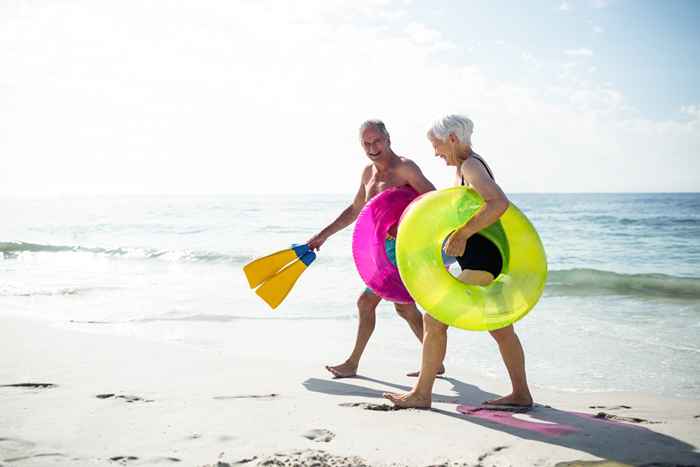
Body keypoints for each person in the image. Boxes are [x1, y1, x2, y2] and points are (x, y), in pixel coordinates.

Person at [384, 114, 533, 408]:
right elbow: (467, 210)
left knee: (433, 318)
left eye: (436, 145)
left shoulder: (470, 165)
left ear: (452, 139)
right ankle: (521, 393)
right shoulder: (469, 165)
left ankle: (422, 394)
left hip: (482, 261)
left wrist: (464, 233)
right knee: (501, 327)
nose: (435, 153)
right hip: (483, 259)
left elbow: (498, 203)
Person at [307, 119, 441, 378]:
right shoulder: (368, 173)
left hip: (405, 249)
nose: (372, 147)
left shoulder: (405, 168)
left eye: (377, 141)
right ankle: (434, 359)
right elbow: (357, 210)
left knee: (367, 302)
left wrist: (404, 225)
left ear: (388, 138)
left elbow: (434, 202)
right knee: (402, 307)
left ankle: (353, 363)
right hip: (381, 252)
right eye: (366, 143)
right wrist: (322, 236)